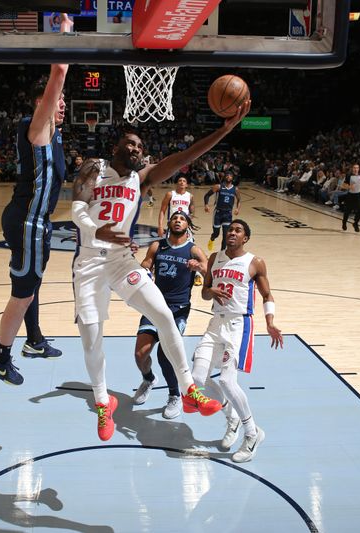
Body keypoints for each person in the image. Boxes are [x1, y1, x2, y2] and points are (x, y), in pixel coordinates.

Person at [71, 103, 250, 441]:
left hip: (122, 261)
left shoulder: (143, 178)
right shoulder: (96, 166)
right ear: (117, 147)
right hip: (90, 262)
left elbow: (185, 155)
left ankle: (188, 390)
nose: (136, 149)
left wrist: (224, 130)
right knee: (92, 336)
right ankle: (101, 401)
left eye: (140, 146)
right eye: (131, 143)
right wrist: (97, 230)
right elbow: (77, 206)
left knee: (165, 317)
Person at [0, 14, 72, 386]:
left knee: (29, 285)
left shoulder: (54, 140)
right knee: (22, 293)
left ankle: (32, 341)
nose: (62, 104)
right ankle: (0, 358)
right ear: (41, 104)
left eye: (65, 102)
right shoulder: (36, 130)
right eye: (56, 101)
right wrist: (65, 37)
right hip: (27, 221)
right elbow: (57, 74)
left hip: (35, 220)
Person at [191, 219, 283, 463]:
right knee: (197, 379)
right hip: (214, 324)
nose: (232, 232)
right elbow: (204, 291)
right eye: (230, 229)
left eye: (238, 230)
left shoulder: (255, 262)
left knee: (227, 381)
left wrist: (270, 322)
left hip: (239, 325)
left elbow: (267, 294)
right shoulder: (214, 258)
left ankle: (252, 434)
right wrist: (211, 291)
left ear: (246, 238)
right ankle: (230, 415)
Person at [132, 210, 207, 419]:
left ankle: (175, 395)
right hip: (154, 305)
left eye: (182, 219)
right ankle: (148, 379)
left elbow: (209, 272)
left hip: (177, 309)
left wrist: (199, 267)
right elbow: (145, 265)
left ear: (187, 226)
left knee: (165, 356)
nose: (178, 220)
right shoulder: (157, 246)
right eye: (175, 218)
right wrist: (144, 269)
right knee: (140, 354)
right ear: (169, 223)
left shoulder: (193, 250)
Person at [203, 172, 240, 251]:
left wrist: (237, 208)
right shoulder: (218, 186)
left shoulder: (235, 189)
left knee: (226, 235)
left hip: (228, 214)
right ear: (225, 177)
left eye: (230, 176)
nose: (228, 177)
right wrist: (206, 204)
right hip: (218, 213)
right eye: (227, 175)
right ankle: (212, 239)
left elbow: (239, 200)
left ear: (232, 178)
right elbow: (207, 195)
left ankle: (222, 253)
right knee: (216, 233)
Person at [342, 163, 360, 232]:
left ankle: (355, 223)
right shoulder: (349, 176)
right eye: (354, 168)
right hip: (351, 195)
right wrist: (349, 187)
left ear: (358, 169)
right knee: (347, 211)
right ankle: (344, 222)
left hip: (358, 195)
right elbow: (343, 185)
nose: (355, 169)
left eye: (357, 168)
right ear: (352, 169)